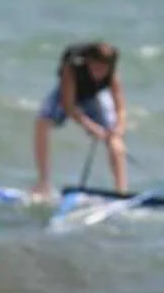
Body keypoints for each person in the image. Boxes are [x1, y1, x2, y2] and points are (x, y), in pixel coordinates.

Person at [32, 41, 128, 199]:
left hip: (93, 96)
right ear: (89, 62)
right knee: (42, 122)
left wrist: (119, 128)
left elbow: (120, 108)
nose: (100, 72)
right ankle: (43, 182)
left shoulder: (112, 75)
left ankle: (121, 191)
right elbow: (69, 107)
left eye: (104, 68)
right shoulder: (72, 69)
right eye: (96, 67)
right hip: (66, 95)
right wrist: (91, 127)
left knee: (115, 139)